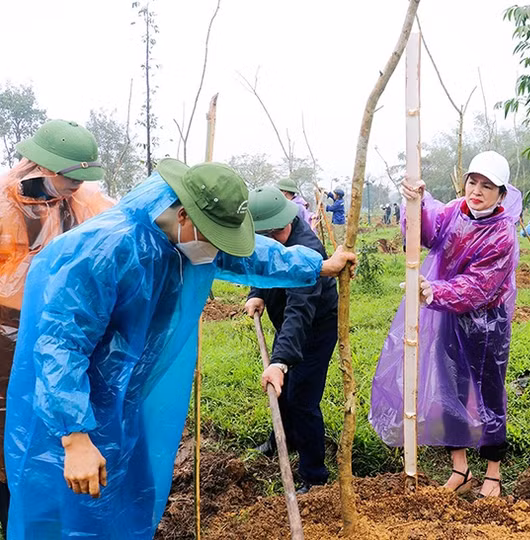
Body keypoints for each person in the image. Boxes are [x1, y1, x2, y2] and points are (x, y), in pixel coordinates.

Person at [4, 159, 355, 539]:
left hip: (123, 402)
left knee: (126, 498)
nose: (218, 250)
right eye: (214, 237)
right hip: (72, 407)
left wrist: (318, 265)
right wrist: (74, 436)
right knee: (70, 511)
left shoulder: (191, 240)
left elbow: (254, 255)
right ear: (184, 215)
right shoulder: (104, 251)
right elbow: (60, 345)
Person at [370, 151, 521, 498]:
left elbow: (480, 286)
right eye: (473, 181)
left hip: (486, 324)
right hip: (448, 314)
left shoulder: (502, 234)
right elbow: (426, 233)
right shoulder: (455, 210)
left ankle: (493, 474)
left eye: (487, 186)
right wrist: (418, 204)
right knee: (451, 389)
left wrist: (434, 291)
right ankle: (461, 469)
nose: (477, 190)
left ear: (501, 193)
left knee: (488, 394)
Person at [0, 119, 114, 533]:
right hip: (5, 337)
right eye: (67, 180)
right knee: (5, 428)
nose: (72, 188)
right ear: (39, 166)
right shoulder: (3, 204)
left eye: (77, 182)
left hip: (61, 330)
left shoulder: (84, 204)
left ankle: (45, 508)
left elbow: (119, 233)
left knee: (49, 424)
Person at [243, 187, 337, 494]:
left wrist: (280, 362)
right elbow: (261, 265)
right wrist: (256, 294)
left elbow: (299, 313)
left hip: (314, 329)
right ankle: (281, 439)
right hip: (287, 323)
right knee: (282, 393)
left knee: (302, 399)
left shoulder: (307, 251)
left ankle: (314, 476)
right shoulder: (269, 240)